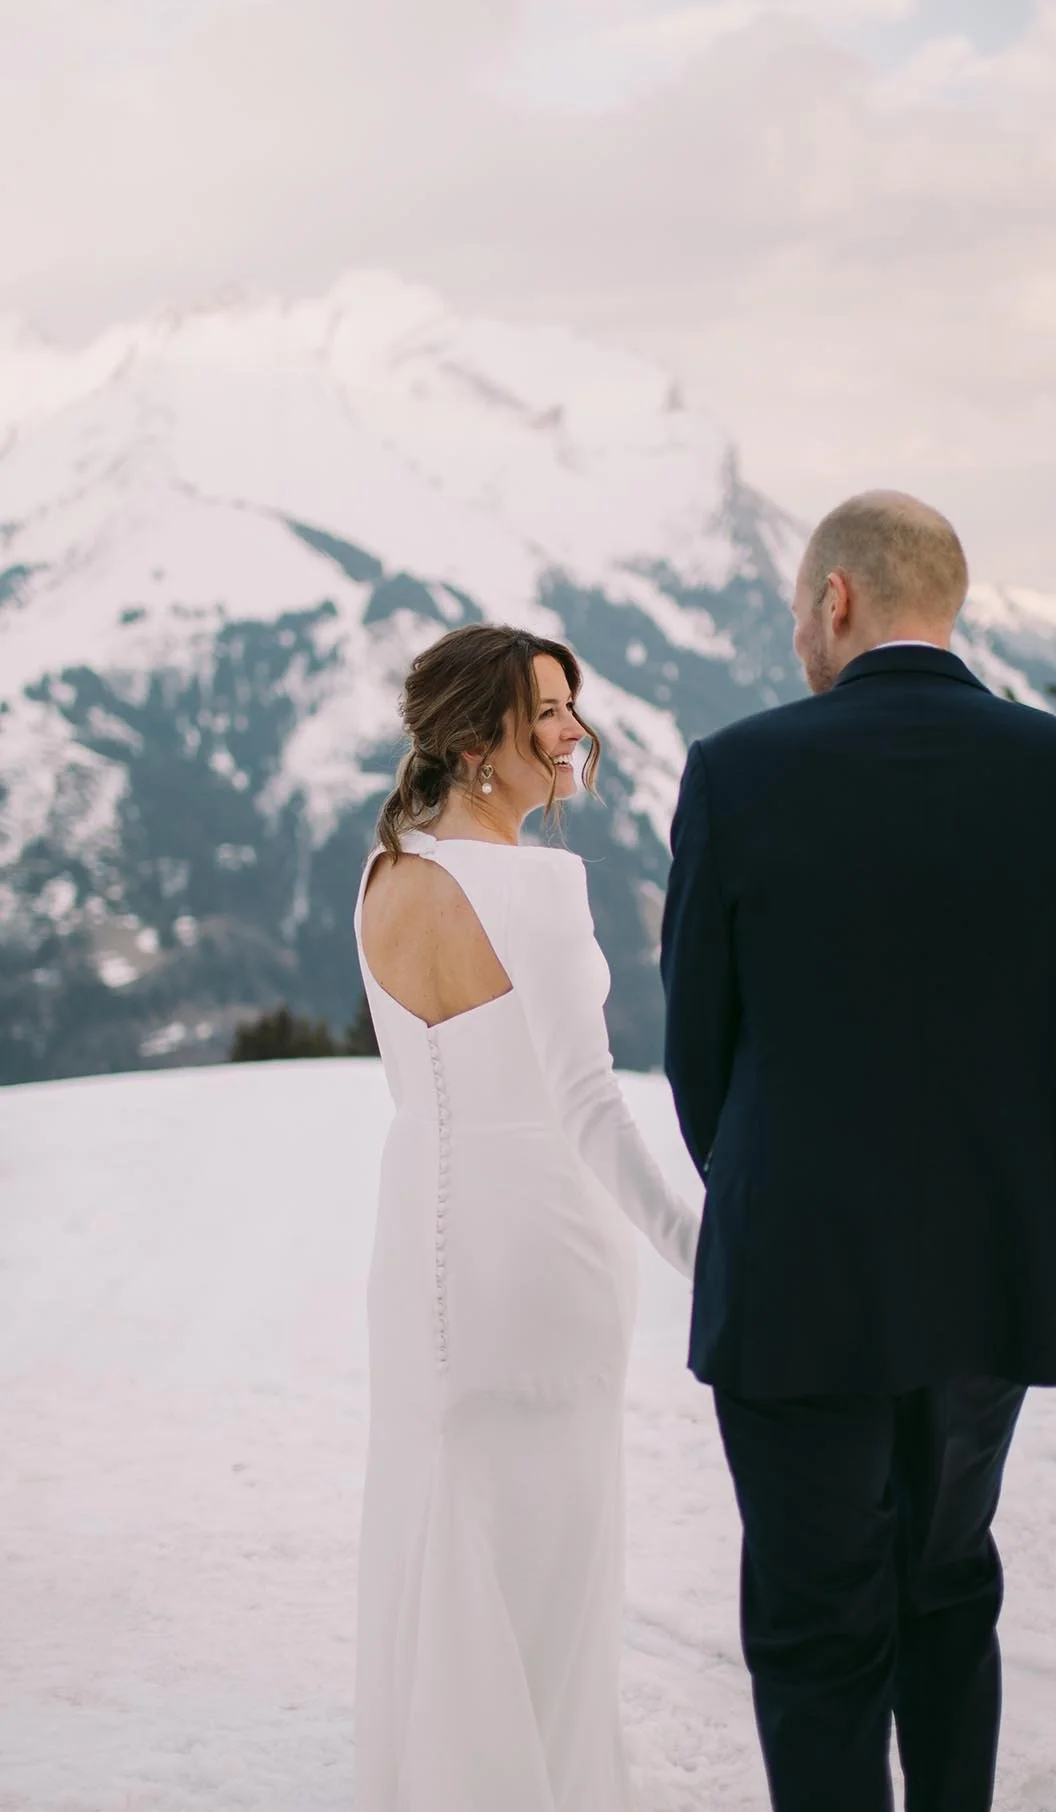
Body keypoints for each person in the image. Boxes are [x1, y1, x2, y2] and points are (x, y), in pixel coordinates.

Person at [660, 491, 1056, 1812]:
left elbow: (696, 1055)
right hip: (985, 1274)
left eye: (799, 610)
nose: (798, 633)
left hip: (794, 1281)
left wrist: (770, 1187)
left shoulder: (739, 772)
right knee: (949, 1587)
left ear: (837, 598)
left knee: (812, 1632)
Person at [353, 624, 698, 1812]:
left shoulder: (386, 868)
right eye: (541, 712)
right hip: (542, 1249)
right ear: (470, 740)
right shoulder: (537, 883)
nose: (570, 734)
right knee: (549, 1560)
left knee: (442, 1529)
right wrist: (709, 1252)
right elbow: (591, 1108)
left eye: (568, 708)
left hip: (420, 1244)